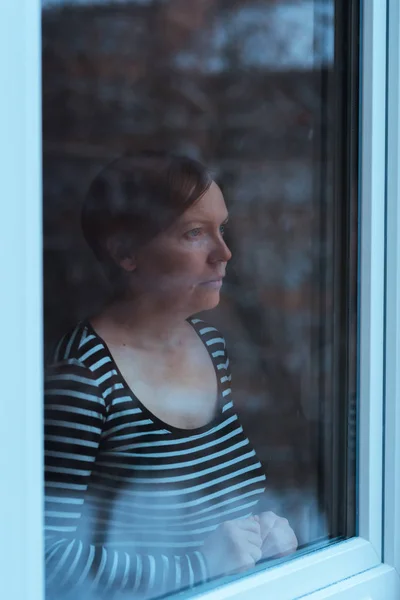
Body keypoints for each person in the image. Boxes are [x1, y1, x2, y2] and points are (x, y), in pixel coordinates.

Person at [44, 151, 298, 600]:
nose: (224, 253)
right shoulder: (82, 378)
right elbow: (42, 558)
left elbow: (214, 503)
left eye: (223, 229)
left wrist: (267, 528)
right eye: (195, 233)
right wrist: (195, 567)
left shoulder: (209, 345)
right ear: (125, 252)